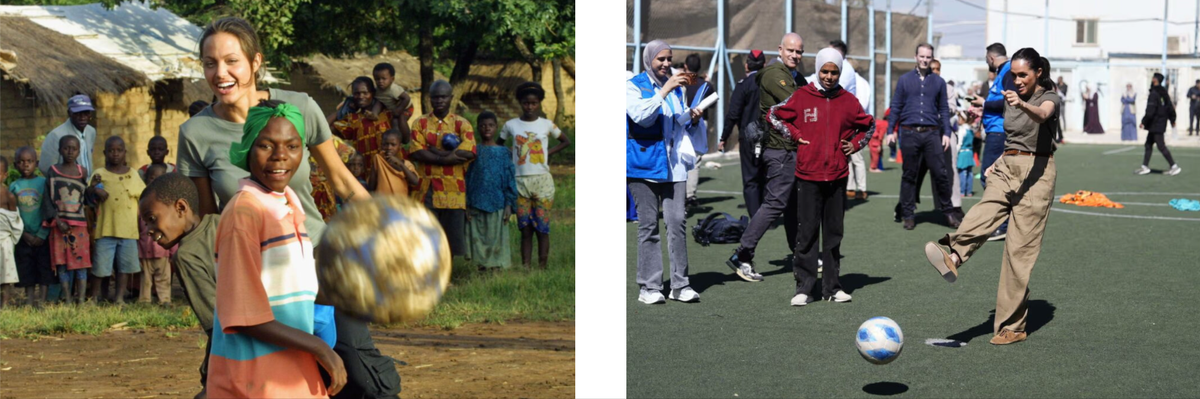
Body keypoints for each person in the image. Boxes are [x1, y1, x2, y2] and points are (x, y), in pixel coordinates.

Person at [177, 16, 398, 399]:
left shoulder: (299, 107)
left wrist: (395, 232)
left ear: (255, 62)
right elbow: (210, 220)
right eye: (210, 63)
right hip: (261, 282)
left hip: (319, 265)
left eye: (232, 61)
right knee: (243, 379)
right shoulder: (195, 133)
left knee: (361, 377)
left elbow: (343, 180)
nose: (221, 73)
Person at [923, 47, 1061, 346]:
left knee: (1018, 252)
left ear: (1038, 73)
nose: (1018, 80)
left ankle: (1013, 326)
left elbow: (1041, 116)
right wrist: (999, 160)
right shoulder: (1011, 93)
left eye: (1023, 75)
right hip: (1007, 166)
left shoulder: (1048, 96)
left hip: (1037, 174)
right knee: (985, 210)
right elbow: (1014, 137)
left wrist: (1022, 104)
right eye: (1014, 75)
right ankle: (955, 255)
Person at [207, 100, 345, 398]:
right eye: (267, 146)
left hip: (293, 374)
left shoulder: (288, 203)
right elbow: (243, 313)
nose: (280, 156)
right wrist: (320, 347)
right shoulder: (244, 214)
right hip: (256, 381)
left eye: (292, 146)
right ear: (248, 147)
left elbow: (296, 291)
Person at [770, 48, 874, 306]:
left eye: (834, 72)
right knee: (806, 235)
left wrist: (856, 143)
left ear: (840, 72)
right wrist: (794, 135)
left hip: (837, 176)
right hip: (808, 175)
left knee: (833, 234)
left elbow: (869, 124)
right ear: (817, 70)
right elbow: (773, 115)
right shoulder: (801, 95)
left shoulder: (849, 100)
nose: (829, 76)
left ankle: (833, 287)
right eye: (825, 71)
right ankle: (804, 288)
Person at [627, 39, 707, 303]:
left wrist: (692, 118)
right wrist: (663, 91)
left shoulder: (677, 88)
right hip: (644, 166)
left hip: (674, 167)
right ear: (648, 59)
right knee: (648, 226)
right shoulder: (632, 86)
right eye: (660, 59)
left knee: (676, 223)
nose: (666, 64)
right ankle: (649, 288)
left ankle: (680, 285)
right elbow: (640, 116)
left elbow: (677, 122)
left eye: (669, 59)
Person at [725, 32, 807, 282]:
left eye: (799, 51)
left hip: (791, 150)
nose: (795, 55)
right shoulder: (774, 74)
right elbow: (799, 105)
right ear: (780, 50)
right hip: (779, 150)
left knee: (793, 206)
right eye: (790, 50)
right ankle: (743, 254)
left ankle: (802, 256)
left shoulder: (796, 76)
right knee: (774, 204)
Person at [886, 43, 959, 230]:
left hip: (932, 133)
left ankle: (949, 212)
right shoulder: (904, 80)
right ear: (915, 57)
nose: (925, 60)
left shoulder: (939, 82)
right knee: (909, 175)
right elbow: (896, 107)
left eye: (928, 57)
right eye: (922, 56)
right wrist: (890, 131)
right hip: (909, 133)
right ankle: (909, 215)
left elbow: (944, 108)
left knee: (940, 174)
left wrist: (946, 133)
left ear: (931, 58)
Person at [499, 81, 571, 268]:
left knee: (542, 226)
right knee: (525, 227)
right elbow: (498, 145)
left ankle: (542, 266)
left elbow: (565, 141)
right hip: (519, 182)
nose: (529, 107)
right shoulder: (511, 125)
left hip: (542, 182)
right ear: (520, 103)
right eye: (525, 103)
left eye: (533, 103)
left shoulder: (547, 125)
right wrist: (509, 155)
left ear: (539, 103)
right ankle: (526, 266)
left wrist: (547, 153)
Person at [409, 80, 477, 258]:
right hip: (426, 189)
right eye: (435, 97)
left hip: (454, 191)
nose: (439, 100)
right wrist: (450, 158)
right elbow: (417, 152)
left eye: (443, 97)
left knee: (451, 239)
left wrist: (438, 155)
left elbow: (469, 151)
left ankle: (447, 277)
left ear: (451, 98)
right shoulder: (420, 123)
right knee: (426, 235)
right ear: (430, 99)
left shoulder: (462, 124)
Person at [84, 136, 145, 304]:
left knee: (124, 267)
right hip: (106, 229)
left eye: (119, 150)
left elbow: (143, 196)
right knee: (100, 266)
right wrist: (94, 190)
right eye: (111, 150)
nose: (115, 154)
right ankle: (94, 298)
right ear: (105, 153)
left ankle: (119, 298)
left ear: (125, 153)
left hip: (128, 230)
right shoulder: (99, 174)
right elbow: (88, 198)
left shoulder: (132, 174)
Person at [806, 41, 867, 200]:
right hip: (839, 120)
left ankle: (860, 188)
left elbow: (832, 91)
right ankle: (851, 188)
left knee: (853, 156)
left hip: (846, 122)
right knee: (846, 156)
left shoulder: (844, 70)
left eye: (831, 52)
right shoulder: (837, 68)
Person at [967, 42, 1013, 241]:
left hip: (999, 134)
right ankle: (1002, 222)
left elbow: (1008, 101)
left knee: (990, 178)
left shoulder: (1008, 71)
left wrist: (984, 103)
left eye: (987, 60)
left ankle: (1002, 224)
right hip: (996, 132)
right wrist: (983, 109)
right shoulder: (1004, 72)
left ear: (991, 58)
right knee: (996, 178)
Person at [465, 111, 518, 271]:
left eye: (490, 125)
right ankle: (482, 269)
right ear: (477, 128)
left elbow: (509, 179)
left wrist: (509, 204)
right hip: (476, 201)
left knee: (496, 237)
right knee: (479, 237)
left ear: (496, 127)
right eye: (482, 126)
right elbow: (467, 177)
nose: (486, 128)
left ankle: (496, 268)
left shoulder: (503, 153)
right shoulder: (473, 151)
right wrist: (466, 202)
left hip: (497, 202)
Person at [44, 135, 91, 304]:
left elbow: (86, 197)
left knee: (82, 262)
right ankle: (68, 298)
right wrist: (57, 220)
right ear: (59, 150)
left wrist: (95, 188)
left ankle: (81, 300)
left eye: (74, 148)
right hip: (59, 226)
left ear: (79, 151)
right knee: (62, 263)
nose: (70, 152)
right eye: (66, 148)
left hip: (79, 226)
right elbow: (47, 200)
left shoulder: (82, 172)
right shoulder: (53, 171)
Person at [721, 49, 768, 217]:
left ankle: (757, 218)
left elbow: (733, 113)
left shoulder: (743, 85)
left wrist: (724, 137)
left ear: (747, 65)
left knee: (750, 178)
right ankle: (767, 216)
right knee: (766, 175)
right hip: (769, 137)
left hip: (749, 138)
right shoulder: (770, 84)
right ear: (764, 65)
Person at [10, 147, 56, 307]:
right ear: (15, 165)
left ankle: (42, 301)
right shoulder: (14, 186)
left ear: (36, 163)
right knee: (27, 269)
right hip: (24, 236)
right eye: (21, 162)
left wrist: (42, 234)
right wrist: (23, 234)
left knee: (44, 269)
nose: (25, 165)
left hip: (42, 236)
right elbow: (12, 214)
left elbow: (49, 209)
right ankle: (29, 300)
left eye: (29, 161)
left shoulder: (43, 183)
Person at [331, 76, 395, 175]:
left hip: (389, 170)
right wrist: (342, 109)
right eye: (356, 93)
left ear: (373, 94)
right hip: (365, 174)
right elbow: (325, 127)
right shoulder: (352, 119)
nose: (361, 96)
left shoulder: (387, 113)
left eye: (365, 93)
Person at [136, 164, 173, 304]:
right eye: (152, 177)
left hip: (163, 249)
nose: (156, 181)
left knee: (163, 278)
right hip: (145, 249)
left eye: (160, 178)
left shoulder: (168, 203)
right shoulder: (142, 202)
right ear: (146, 179)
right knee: (145, 278)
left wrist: (173, 249)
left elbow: (171, 228)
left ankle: (165, 301)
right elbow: (138, 225)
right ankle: (144, 301)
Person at [39, 94, 97, 177]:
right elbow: (46, 168)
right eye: (78, 113)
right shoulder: (56, 135)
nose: (82, 117)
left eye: (86, 113)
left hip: (87, 184)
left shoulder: (91, 131)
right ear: (69, 113)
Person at [1136, 73, 1182, 176]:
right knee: (1148, 144)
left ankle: (1174, 166)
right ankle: (1145, 166)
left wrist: (1144, 122)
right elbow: (1170, 107)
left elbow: (1150, 110)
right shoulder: (1163, 92)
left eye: (1152, 78)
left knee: (1161, 146)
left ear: (1155, 80)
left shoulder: (1154, 93)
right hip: (1160, 123)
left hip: (1155, 124)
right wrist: (1172, 119)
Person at [367, 129, 419, 198]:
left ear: (399, 146)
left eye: (393, 145)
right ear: (382, 145)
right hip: (382, 202)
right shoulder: (378, 158)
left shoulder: (405, 163)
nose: (389, 147)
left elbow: (415, 181)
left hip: (399, 203)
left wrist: (400, 164)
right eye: (386, 144)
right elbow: (371, 187)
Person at [373, 62, 413, 142]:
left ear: (392, 79)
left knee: (397, 119)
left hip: (406, 108)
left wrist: (399, 110)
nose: (380, 81)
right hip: (392, 109)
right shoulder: (377, 90)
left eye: (384, 79)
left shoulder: (393, 89)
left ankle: (404, 139)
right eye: (377, 79)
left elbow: (406, 98)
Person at [0, 156, 21, 307]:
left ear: (5, 175)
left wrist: (13, 238)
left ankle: (5, 303)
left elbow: (14, 220)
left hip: (4, 239)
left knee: (5, 273)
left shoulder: (9, 196)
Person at [957, 120, 976, 197]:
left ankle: (962, 191)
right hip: (970, 152)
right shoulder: (971, 129)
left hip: (963, 152)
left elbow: (960, 143)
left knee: (962, 172)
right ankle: (969, 191)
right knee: (969, 172)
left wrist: (955, 152)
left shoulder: (962, 130)